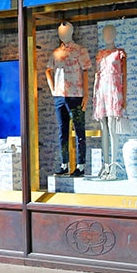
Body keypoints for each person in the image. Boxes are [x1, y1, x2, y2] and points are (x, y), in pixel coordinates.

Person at [46, 22, 91, 177]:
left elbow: (85, 72)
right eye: (60, 32)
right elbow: (48, 70)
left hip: (76, 94)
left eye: (65, 31)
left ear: (72, 32)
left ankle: (81, 165)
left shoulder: (80, 51)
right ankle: (64, 163)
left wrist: (86, 94)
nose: (62, 35)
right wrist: (53, 89)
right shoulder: (56, 52)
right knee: (62, 130)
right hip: (60, 95)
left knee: (79, 131)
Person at [93, 25, 128, 180]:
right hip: (101, 92)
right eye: (105, 33)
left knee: (113, 130)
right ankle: (105, 165)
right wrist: (95, 95)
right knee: (104, 131)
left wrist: (124, 97)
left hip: (114, 91)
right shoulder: (100, 54)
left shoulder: (119, 54)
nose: (107, 36)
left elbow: (124, 76)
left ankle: (113, 166)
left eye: (110, 33)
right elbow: (97, 75)